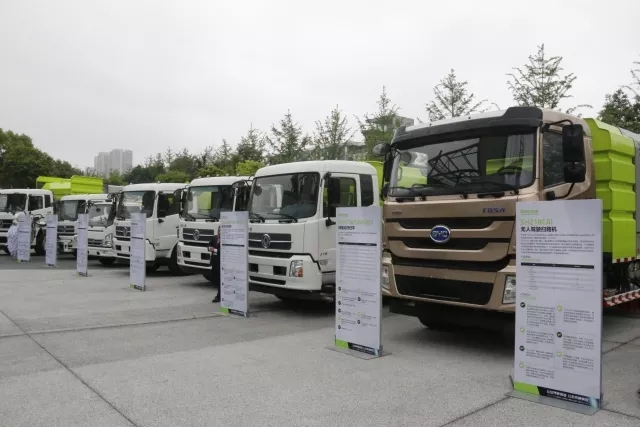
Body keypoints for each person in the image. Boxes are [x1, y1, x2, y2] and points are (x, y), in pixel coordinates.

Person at [208, 225, 222, 303]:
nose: (219, 232)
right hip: (214, 261)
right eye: (219, 231)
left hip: (221, 262)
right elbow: (209, 245)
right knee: (216, 278)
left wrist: (215, 250)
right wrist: (209, 248)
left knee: (221, 279)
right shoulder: (214, 238)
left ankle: (219, 296)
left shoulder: (226, 240)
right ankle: (219, 294)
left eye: (221, 231)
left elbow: (224, 250)